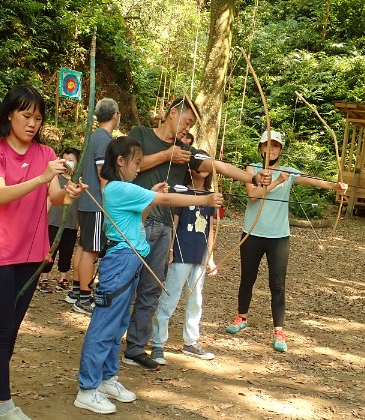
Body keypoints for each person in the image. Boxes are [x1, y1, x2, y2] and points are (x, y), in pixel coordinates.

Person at [74, 136, 223, 414]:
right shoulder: (118, 188)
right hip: (119, 261)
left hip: (130, 260)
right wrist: (205, 198)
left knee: (117, 325)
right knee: (104, 325)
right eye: (136, 163)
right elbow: (166, 197)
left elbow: (138, 220)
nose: (138, 168)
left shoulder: (124, 188)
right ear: (120, 162)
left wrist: (151, 199)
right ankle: (87, 388)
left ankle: (107, 378)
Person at [122, 96, 271, 370]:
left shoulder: (186, 152)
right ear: (172, 113)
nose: (187, 127)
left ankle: (135, 347)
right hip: (134, 223)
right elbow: (131, 166)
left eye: (192, 123)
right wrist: (166, 156)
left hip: (164, 226)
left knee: (151, 290)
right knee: (123, 286)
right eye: (186, 120)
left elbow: (218, 165)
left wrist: (252, 178)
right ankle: (111, 341)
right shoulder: (140, 134)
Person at [0, 85, 84, 420]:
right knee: (1, 331)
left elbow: (56, 197)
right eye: (26, 115)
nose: (33, 123)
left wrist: (68, 192)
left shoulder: (46, 153)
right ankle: (5, 406)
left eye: (38, 117)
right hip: (0, 252)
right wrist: (43, 176)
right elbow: (1, 195)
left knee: (10, 330)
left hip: (32, 253)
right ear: (9, 115)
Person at [225, 130, 347, 352]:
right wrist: (276, 182)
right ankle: (241, 317)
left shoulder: (288, 172)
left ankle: (279, 331)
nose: (271, 150)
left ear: (280, 150)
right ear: (260, 147)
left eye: (276, 146)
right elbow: (253, 195)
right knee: (247, 278)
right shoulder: (252, 169)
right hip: (252, 233)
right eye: (267, 145)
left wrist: (334, 185)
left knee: (278, 285)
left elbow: (312, 180)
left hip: (279, 237)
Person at [150, 151, 217, 365]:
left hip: (199, 256)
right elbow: (175, 222)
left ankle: (191, 342)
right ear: (191, 168)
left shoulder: (210, 195)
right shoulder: (182, 192)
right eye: (200, 163)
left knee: (196, 299)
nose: (204, 167)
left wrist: (211, 257)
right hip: (181, 253)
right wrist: (170, 250)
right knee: (170, 298)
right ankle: (158, 343)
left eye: (208, 163)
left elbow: (210, 228)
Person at [65, 98, 120, 315]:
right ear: (115, 116)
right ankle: (85, 298)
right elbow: (102, 174)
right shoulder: (105, 140)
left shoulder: (92, 137)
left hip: (85, 201)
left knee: (84, 246)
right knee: (92, 249)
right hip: (96, 202)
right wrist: (109, 203)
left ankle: (77, 291)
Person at [38, 147, 81, 293]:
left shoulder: (79, 181)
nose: (68, 163)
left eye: (71, 160)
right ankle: (43, 277)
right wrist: (42, 218)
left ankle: (62, 278)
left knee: (67, 252)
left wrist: (80, 224)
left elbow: (81, 204)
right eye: (65, 160)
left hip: (71, 224)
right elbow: (49, 199)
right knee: (50, 251)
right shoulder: (56, 178)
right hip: (53, 221)